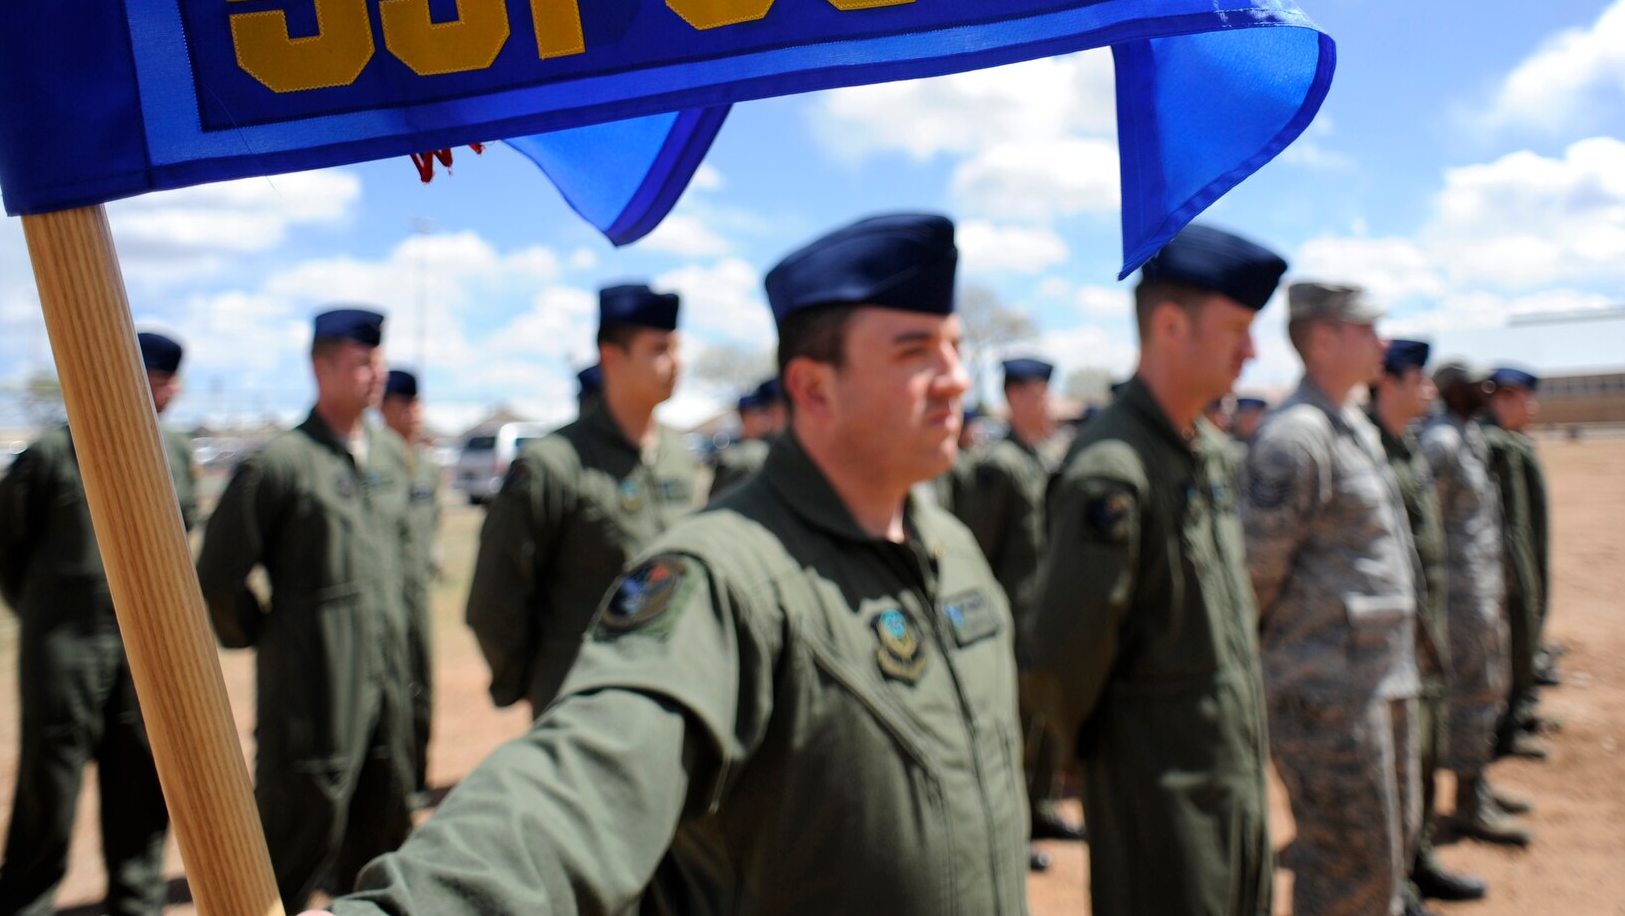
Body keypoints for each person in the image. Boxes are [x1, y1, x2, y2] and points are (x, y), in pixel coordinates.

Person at [312, 213, 1028, 915]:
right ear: (812, 387)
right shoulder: (725, 575)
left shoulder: (952, 547)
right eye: (916, 353)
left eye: (955, 347)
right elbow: (575, 788)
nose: (957, 380)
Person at [1029, 223, 1287, 916]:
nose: (1253, 348)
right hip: (1160, 789)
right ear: (1170, 325)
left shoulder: (1198, 449)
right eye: (1238, 326)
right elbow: (1060, 652)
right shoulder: (1112, 471)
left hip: (1226, 774)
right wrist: (1100, 757)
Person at [196, 308, 417, 913]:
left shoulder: (391, 457)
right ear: (320, 368)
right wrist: (265, 633)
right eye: (360, 362)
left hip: (384, 689)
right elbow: (216, 575)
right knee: (292, 842)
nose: (376, 373)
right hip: (311, 695)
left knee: (381, 838)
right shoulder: (281, 464)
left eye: (378, 360)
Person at [0, 331, 197, 916]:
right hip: (64, 650)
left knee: (141, 794)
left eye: (174, 378)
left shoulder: (174, 452)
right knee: (46, 798)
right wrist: (44, 614)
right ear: (129, 376)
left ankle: (137, 904)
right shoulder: (52, 453)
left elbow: (183, 535)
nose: (173, 388)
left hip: (142, 657)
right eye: (161, 376)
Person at [1242, 282, 1420, 916]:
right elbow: (1253, 575)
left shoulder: (1350, 425)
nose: (1385, 342)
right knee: (1347, 869)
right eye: (1369, 328)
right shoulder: (1295, 438)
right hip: (1326, 694)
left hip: (1377, 678)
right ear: (1323, 339)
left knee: (1386, 859)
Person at [466, 283, 699, 713]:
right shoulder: (551, 465)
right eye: (659, 349)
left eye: (677, 348)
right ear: (611, 357)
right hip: (584, 702)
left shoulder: (678, 456)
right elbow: (494, 601)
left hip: (671, 694)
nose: (676, 363)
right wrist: (537, 683)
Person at [948, 356, 1078, 865]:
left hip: (1046, 615)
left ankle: (1042, 807)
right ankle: (1011, 827)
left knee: (1044, 722)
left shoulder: (1040, 457)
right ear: (1015, 399)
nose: (1047, 402)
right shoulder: (996, 466)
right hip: (1011, 618)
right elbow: (976, 549)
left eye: (1048, 391)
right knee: (1013, 727)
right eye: (1038, 393)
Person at [1371, 341, 1487, 908]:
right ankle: (1397, 879)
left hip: (1426, 634)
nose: (1430, 392)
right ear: (1388, 383)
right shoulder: (1369, 450)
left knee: (1421, 757)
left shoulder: (1406, 450)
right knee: (1392, 774)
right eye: (1419, 379)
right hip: (1386, 649)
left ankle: (1415, 863)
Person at [1422, 361, 1531, 850]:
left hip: (1483, 586)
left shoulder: (1465, 434)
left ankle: (1478, 784)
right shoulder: (1441, 442)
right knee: (1468, 693)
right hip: (1460, 596)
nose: (1486, 390)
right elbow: (1428, 524)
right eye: (1475, 384)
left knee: (1489, 688)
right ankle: (1468, 802)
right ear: (1453, 391)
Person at [1482, 367, 1552, 760]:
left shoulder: (1511, 442)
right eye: (1525, 397)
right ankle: (1506, 724)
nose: (1533, 406)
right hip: (1503, 568)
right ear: (1503, 398)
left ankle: (1520, 712)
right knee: (1511, 642)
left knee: (1526, 634)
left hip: (1523, 558)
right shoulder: (1496, 445)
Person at [381, 369, 441, 797]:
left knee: (421, 682)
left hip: (417, 591)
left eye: (417, 404)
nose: (413, 413)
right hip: (381, 593)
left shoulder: (426, 467)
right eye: (404, 403)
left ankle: (416, 777)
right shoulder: (373, 463)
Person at [708, 377, 782, 499]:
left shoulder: (772, 445)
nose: (761, 420)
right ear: (743, 418)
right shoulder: (739, 456)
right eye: (756, 414)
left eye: (763, 413)